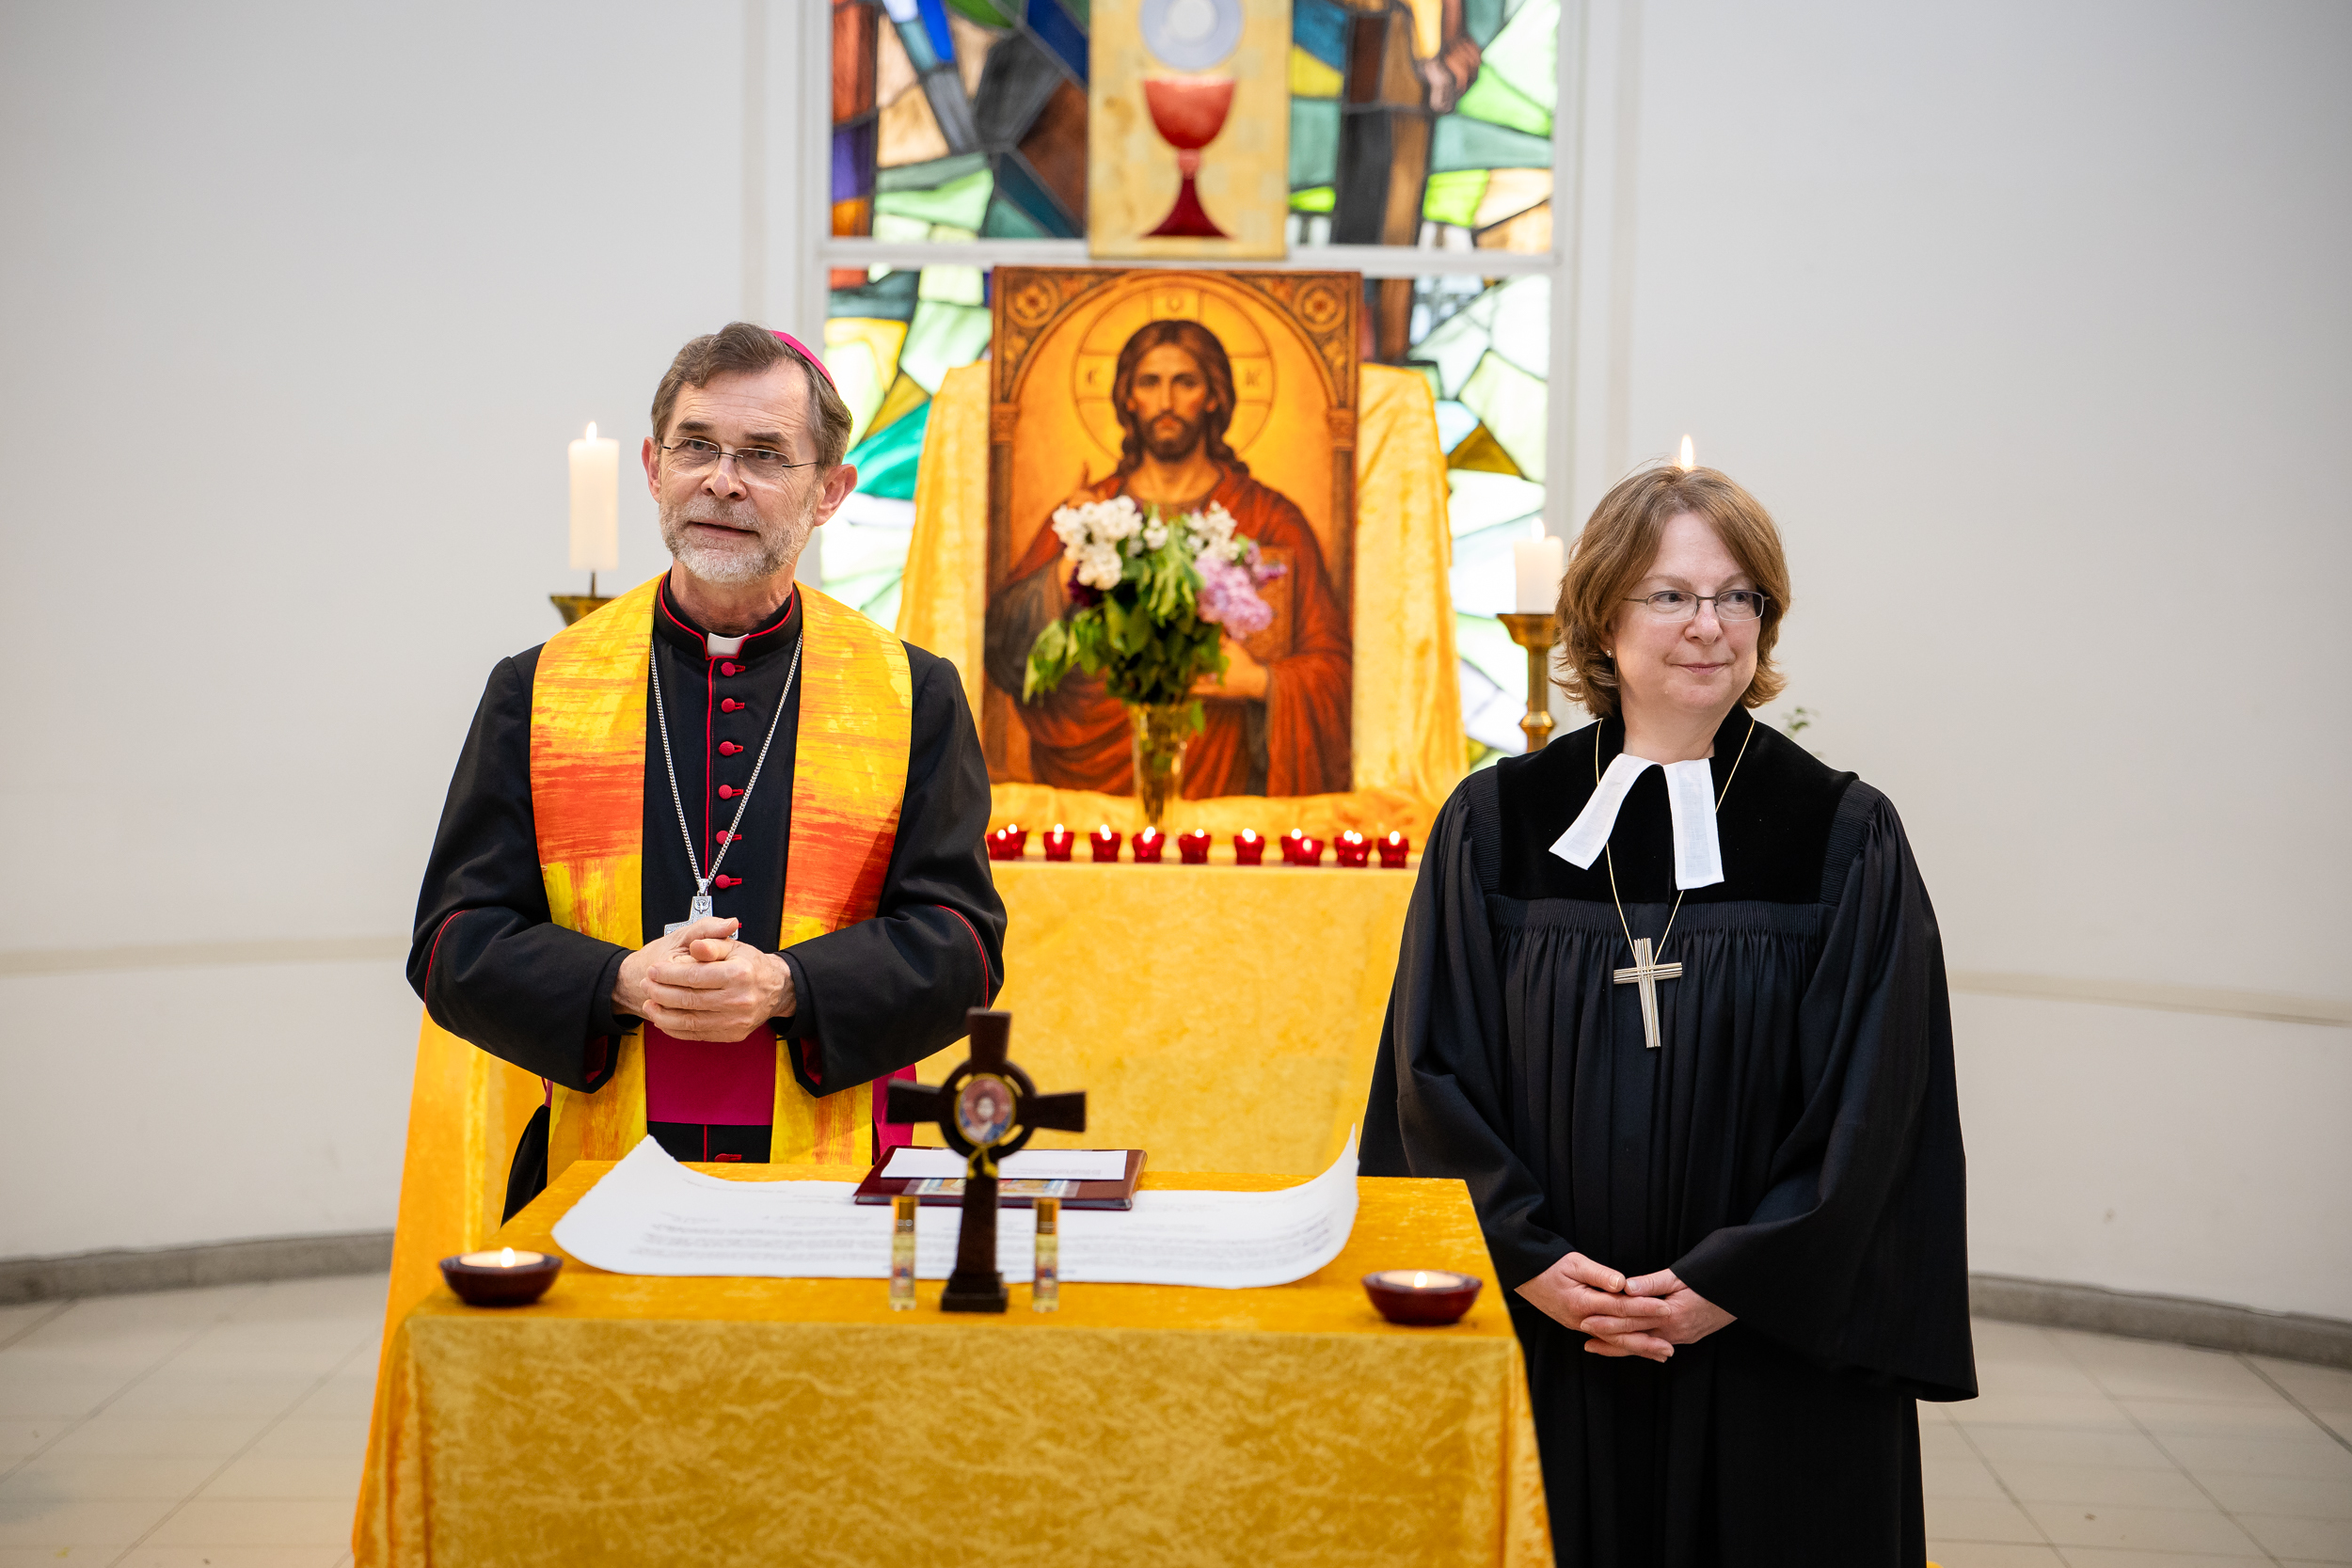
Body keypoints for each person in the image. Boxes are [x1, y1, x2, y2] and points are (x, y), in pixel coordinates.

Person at [1362, 466, 1975, 1566]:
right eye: (1671, 595)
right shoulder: (1497, 822)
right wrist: (1529, 1257)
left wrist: (1730, 1281)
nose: (1709, 625)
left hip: (1767, 1342)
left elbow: (1876, 1099)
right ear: (1602, 614)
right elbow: (1430, 1065)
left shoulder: (1839, 832)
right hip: (1550, 1326)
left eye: (1738, 596)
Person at [411, 323, 1005, 1214]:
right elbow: (451, 942)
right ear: (654, 467)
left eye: (763, 454)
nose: (722, 480)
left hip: (836, 1184)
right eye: (696, 446)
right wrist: (618, 982)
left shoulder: (913, 693)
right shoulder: (539, 688)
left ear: (830, 491)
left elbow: (965, 945)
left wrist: (789, 987)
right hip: (593, 1179)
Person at [983, 319, 1352, 798]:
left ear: (1214, 396)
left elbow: (1334, 672)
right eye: (1149, 383)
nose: (1166, 402)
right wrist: (1069, 565)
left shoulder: (1268, 519)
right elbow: (1003, 646)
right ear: (1128, 398)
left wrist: (1259, 683)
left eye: (1185, 382)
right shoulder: (1090, 514)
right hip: (1087, 792)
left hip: (1226, 793)